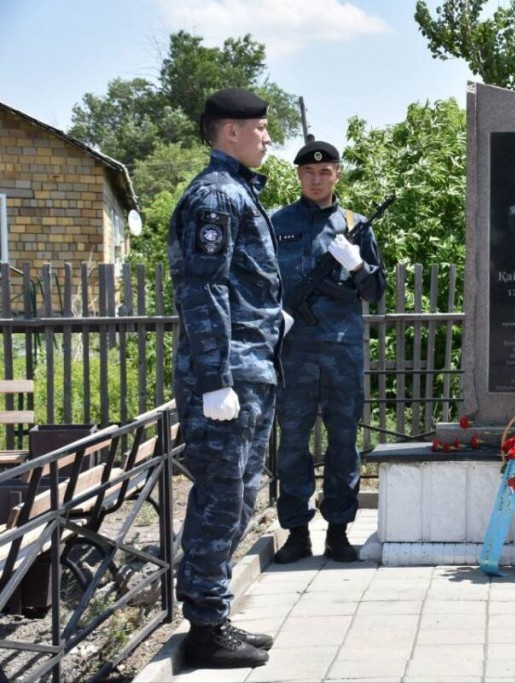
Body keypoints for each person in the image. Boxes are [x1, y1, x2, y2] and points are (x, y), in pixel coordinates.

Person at [168, 87, 285, 669]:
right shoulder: (216, 195)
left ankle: (214, 616)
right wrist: (215, 378)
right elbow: (203, 288)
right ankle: (205, 629)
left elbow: (239, 283)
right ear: (230, 131)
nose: (267, 137)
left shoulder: (238, 190)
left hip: (250, 367)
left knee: (238, 496)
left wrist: (272, 318)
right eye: (259, 127)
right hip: (227, 375)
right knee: (220, 498)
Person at [272, 140, 386, 565]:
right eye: (308, 172)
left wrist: (357, 266)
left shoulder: (356, 225)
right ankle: (297, 532)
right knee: (292, 443)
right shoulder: (276, 222)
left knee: (343, 442)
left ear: (337, 174)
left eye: (325, 172)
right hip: (293, 351)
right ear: (298, 176)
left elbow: (375, 292)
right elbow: (261, 281)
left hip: (341, 351)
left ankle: (338, 531)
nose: (316, 179)